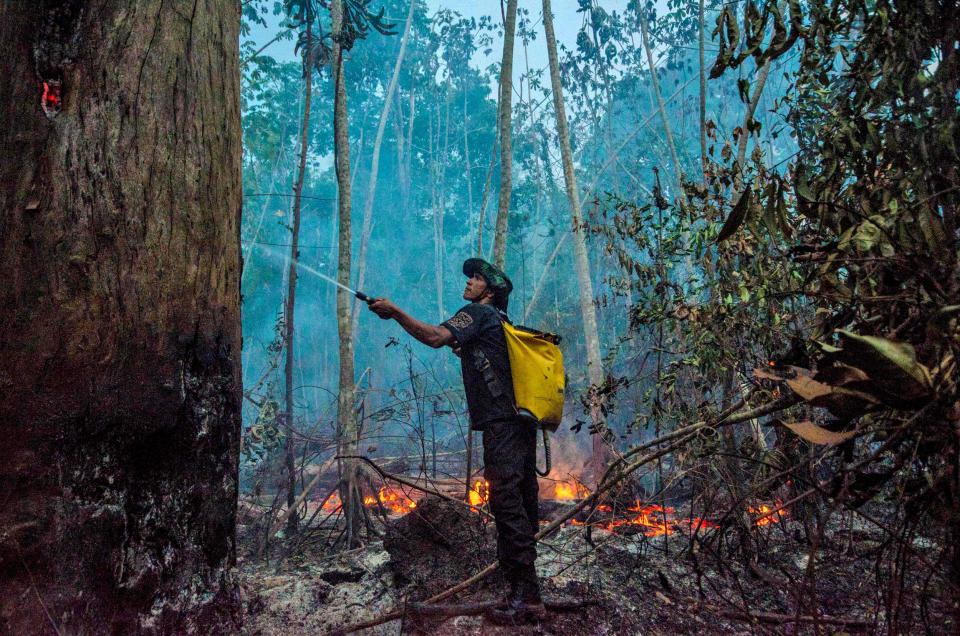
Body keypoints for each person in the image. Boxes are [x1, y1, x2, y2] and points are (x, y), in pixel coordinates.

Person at [367, 258, 545, 624]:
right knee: (523, 502)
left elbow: (435, 338)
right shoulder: (500, 322)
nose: (469, 282)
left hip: (502, 426)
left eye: (477, 278)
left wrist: (396, 311)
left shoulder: (479, 314)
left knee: (507, 503)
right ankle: (523, 590)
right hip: (521, 424)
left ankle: (525, 600)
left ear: (490, 292)